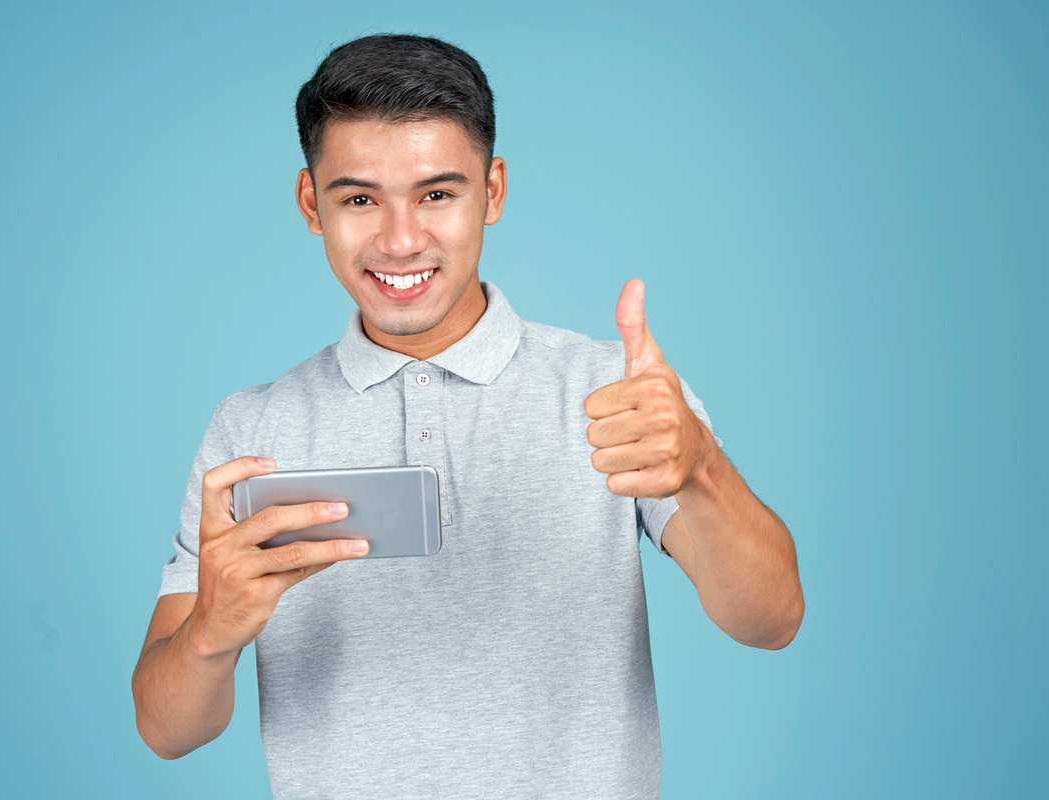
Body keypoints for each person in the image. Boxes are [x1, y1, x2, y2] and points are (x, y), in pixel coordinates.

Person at [131, 33, 803, 799]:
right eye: (359, 199)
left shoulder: (614, 391)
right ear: (310, 204)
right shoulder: (249, 430)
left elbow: (772, 619)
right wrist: (212, 634)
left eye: (437, 194)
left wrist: (703, 470)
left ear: (495, 190)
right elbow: (164, 731)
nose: (400, 239)